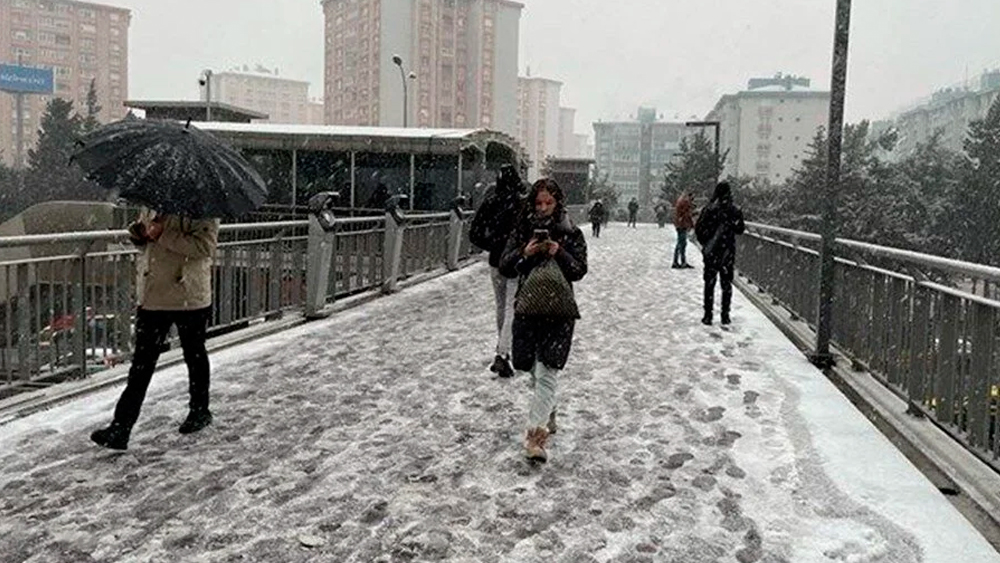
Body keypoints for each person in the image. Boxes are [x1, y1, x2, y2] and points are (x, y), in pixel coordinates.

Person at [90, 210, 221, 450]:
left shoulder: (201, 208)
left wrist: (163, 234)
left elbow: (205, 247)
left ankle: (200, 410)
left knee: (194, 354)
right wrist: (139, 235)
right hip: (152, 296)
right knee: (141, 363)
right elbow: (148, 246)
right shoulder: (153, 204)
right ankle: (121, 426)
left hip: (188, 295)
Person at [500, 178, 588, 463]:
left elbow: (579, 270)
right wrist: (525, 253)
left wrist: (557, 251)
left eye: (549, 203)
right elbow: (505, 266)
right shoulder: (523, 230)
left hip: (558, 311)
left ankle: (535, 439)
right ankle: (548, 410)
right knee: (534, 373)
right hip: (528, 308)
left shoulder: (571, 232)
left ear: (558, 203)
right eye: (538, 203)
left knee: (548, 370)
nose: (543, 208)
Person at [469, 164, 524, 379]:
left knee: (501, 306)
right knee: (512, 306)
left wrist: (492, 244)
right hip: (516, 261)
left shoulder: (491, 202)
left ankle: (503, 349)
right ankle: (503, 353)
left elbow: (474, 233)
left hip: (495, 261)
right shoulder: (521, 204)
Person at [695, 182, 745, 326]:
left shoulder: (709, 209)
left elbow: (699, 228)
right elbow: (740, 229)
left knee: (709, 283)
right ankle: (725, 315)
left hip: (712, 251)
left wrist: (706, 242)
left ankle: (708, 315)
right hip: (727, 252)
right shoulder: (735, 210)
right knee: (726, 284)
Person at [672, 191, 695, 269]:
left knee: (681, 243)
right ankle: (678, 262)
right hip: (682, 225)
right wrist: (691, 225)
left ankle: (681, 261)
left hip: (680, 224)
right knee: (681, 243)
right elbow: (686, 215)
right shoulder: (685, 203)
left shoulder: (681, 201)